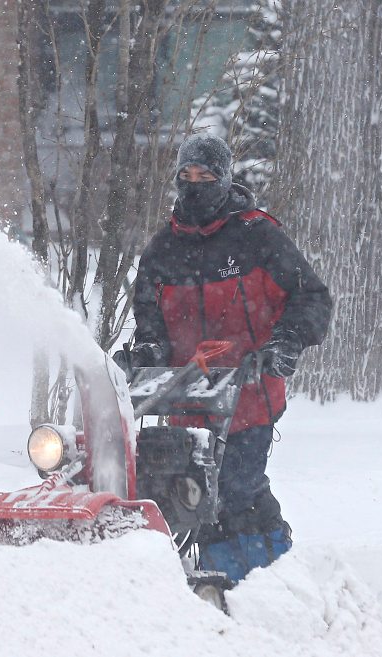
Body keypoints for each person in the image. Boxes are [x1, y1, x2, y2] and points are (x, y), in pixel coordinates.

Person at [118, 134, 332, 582]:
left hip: (249, 395)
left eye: (206, 176)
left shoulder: (257, 237)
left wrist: (284, 343)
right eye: (187, 175)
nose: (195, 184)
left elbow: (310, 297)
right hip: (185, 401)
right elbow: (150, 319)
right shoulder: (162, 249)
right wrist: (148, 351)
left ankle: (268, 578)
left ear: (224, 180)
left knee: (235, 490)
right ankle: (206, 585)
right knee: (187, 496)